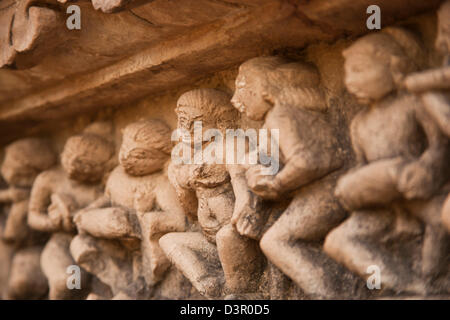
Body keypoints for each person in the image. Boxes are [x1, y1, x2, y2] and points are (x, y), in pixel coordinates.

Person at [324, 27, 450, 295]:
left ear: (395, 66)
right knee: (336, 241)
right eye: (347, 72)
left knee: (441, 220)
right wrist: (352, 188)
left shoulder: (414, 104)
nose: (350, 81)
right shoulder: (359, 124)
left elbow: (440, 146)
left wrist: (426, 167)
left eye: (359, 70)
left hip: (418, 192)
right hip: (384, 204)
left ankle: (432, 279)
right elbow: (362, 167)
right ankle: (403, 283)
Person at [231, 56, 364, 299]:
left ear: (265, 90)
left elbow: (312, 161)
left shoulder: (280, 116)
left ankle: (329, 292)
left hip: (326, 192)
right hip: (314, 191)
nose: (235, 99)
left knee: (275, 242)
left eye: (242, 88)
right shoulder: (282, 116)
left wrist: (276, 185)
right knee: (271, 231)